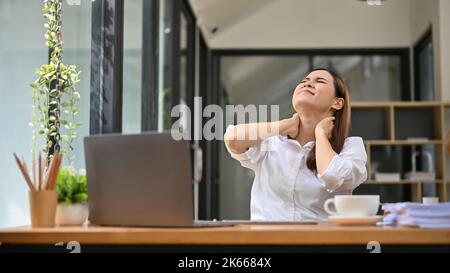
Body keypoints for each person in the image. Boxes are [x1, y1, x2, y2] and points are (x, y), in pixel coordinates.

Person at [224, 68, 367, 221]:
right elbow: (232, 138)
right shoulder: (273, 142)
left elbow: (331, 176)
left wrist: (321, 135)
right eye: (304, 81)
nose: (308, 84)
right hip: (266, 240)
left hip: (319, 242)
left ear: (337, 103)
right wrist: (286, 125)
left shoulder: (351, 147)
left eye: (319, 81)